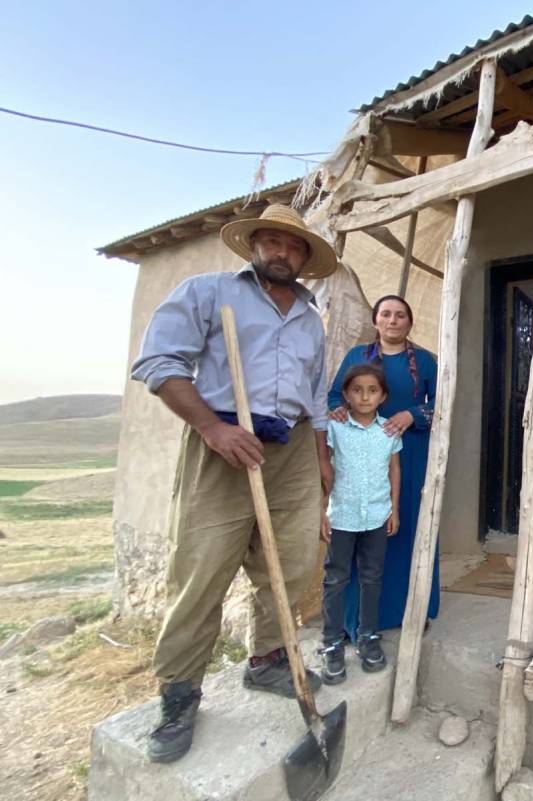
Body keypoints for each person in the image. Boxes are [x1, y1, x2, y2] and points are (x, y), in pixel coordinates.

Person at [130, 204, 337, 764]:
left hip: (292, 447)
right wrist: (212, 427)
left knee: (291, 563)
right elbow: (158, 363)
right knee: (202, 569)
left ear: (305, 258)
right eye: (273, 242)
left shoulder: (311, 319)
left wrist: (321, 457)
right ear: (253, 246)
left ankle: (268, 660)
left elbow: (316, 396)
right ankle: (179, 696)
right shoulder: (209, 291)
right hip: (224, 440)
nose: (283, 253)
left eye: (294, 247)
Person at [328, 295, 438, 640]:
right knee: (359, 529)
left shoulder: (424, 361)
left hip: (410, 454)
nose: (393, 320)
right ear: (375, 320)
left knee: (405, 528)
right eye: (386, 314)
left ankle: (412, 609)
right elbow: (334, 397)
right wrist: (341, 411)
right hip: (360, 455)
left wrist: (413, 415)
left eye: (400, 315)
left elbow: (442, 401)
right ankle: (354, 619)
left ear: (409, 323)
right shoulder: (356, 357)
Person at [319, 363, 402, 682]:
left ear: (383, 397)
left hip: (377, 515)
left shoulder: (388, 431)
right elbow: (323, 471)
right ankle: (331, 643)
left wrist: (394, 509)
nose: (365, 397)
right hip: (341, 516)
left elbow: (394, 470)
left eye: (372, 391)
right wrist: (320, 510)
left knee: (372, 577)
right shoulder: (335, 428)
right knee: (335, 579)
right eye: (357, 390)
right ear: (345, 395)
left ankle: (368, 637)